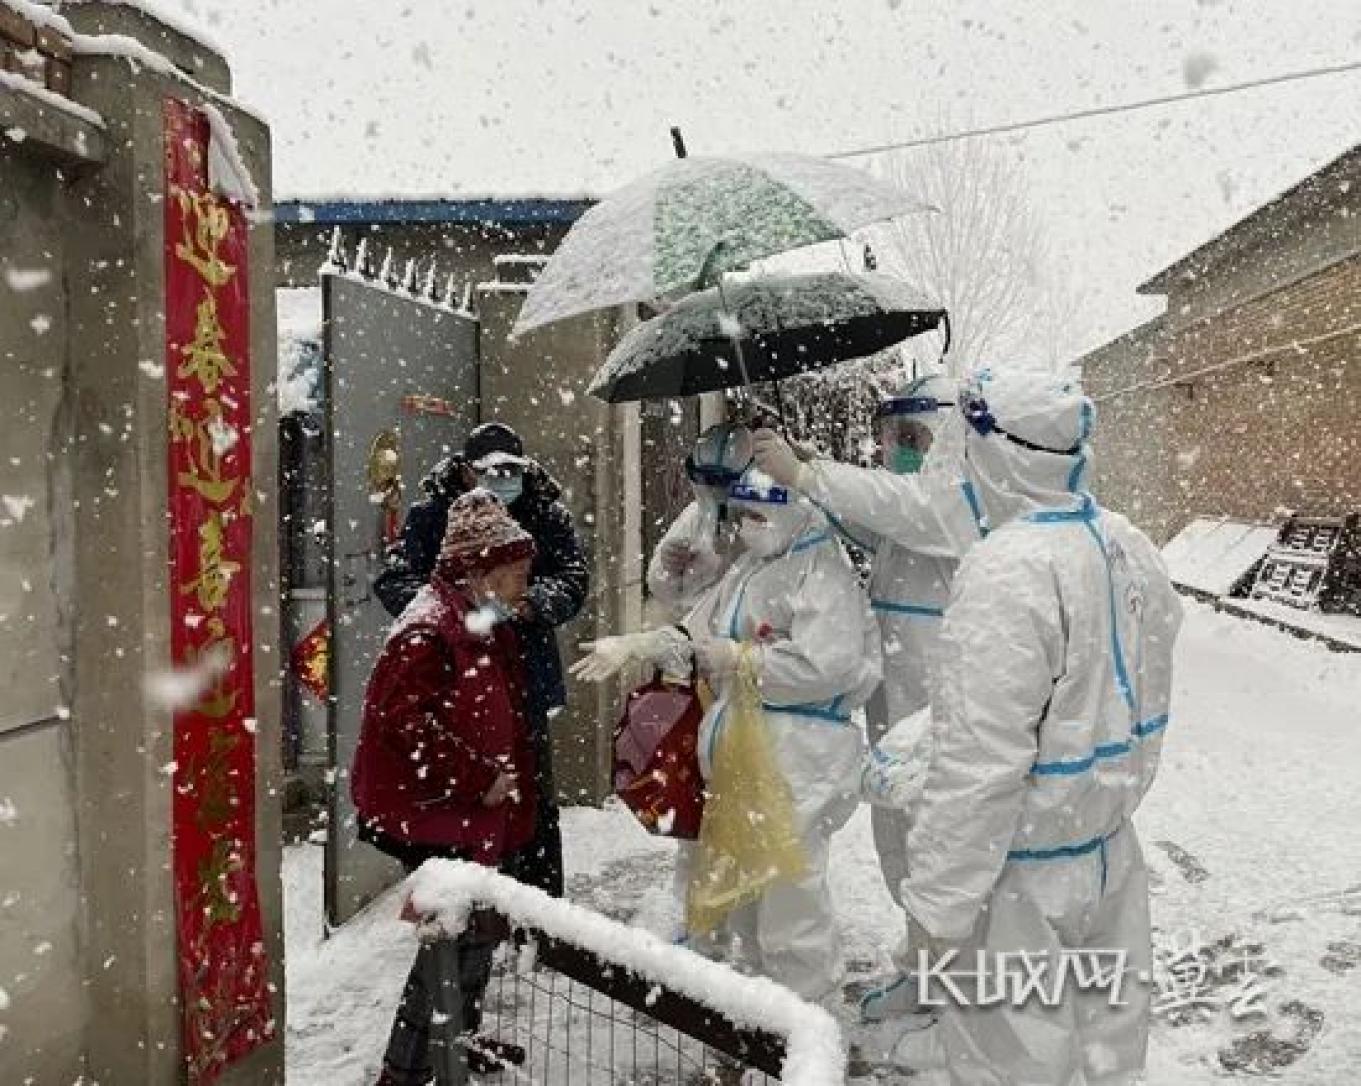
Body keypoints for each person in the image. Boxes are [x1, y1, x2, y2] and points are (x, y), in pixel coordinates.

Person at [889, 369, 1182, 1084]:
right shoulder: (1124, 542)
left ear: (997, 453)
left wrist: (939, 899)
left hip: (1020, 872)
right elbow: (1134, 680)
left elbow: (980, 762)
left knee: (1008, 1058)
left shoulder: (1006, 569)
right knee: (1105, 1047)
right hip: (1107, 850)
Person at [575, 455, 883, 1001]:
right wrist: (638, 645)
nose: (745, 526)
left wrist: (745, 660)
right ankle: (767, 1011)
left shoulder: (822, 571)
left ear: (797, 510)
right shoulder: (751, 569)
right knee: (749, 891)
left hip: (800, 756)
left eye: (758, 514)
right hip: (745, 750)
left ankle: (807, 1018)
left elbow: (827, 665)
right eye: (739, 514)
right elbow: (698, 634)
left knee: (790, 891)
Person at [750, 376, 986, 933]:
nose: (896, 447)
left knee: (941, 833)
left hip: (940, 700)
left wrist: (811, 474)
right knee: (898, 827)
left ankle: (954, 971)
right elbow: (868, 516)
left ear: (946, 433)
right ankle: (921, 957)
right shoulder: (914, 505)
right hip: (896, 693)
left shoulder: (961, 498)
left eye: (911, 434)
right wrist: (810, 476)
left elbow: (899, 506)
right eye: (891, 435)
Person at [352, 490, 541, 1084]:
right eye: (514, 576)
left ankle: (461, 1038)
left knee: (477, 928)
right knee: (447, 944)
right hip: (437, 808)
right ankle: (405, 1070)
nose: (522, 589)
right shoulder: (428, 631)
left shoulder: (476, 619)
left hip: (473, 806)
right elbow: (401, 723)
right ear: (478, 571)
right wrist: (478, 777)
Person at [374, 421, 588, 899]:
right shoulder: (433, 514)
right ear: (466, 472)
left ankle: (537, 910)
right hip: (461, 682)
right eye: (491, 471)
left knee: (531, 797)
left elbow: (574, 578)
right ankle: (471, 903)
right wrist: (460, 609)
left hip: (525, 674)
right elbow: (394, 581)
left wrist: (530, 602)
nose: (503, 479)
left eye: (512, 470)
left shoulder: (543, 512)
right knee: (471, 793)